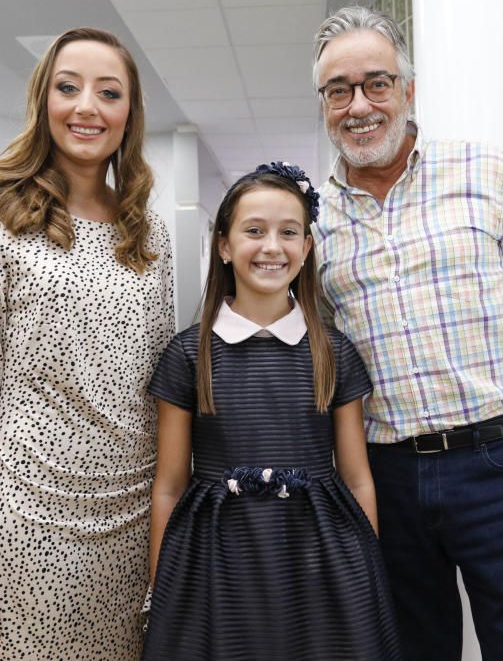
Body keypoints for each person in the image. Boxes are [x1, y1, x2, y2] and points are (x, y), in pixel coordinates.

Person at [312, 7, 503, 661]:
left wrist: (488, 399)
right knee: (415, 645)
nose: (359, 105)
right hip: (388, 474)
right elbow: (326, 354)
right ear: (324, 104)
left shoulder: (487, 173)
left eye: (377, 82)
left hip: (501, 463)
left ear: (408, 90)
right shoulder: (314, 222)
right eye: (338, 90)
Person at [0, 27, 174, 660]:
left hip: (132, 516)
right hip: (29, 513)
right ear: (44, 101)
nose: (87, 107)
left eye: (109, 92)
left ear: (130, 113)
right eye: (68, 88)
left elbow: (162, 379)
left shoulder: (147, 230)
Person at [141, 163, 401, 660]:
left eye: (288, 233)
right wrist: (163, 584)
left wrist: (366, 567)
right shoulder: (188, 355)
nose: (271, 247)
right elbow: (170, 484)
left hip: (319, 550)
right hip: (217, 551)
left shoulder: (335, 352)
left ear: (306, 248)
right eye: (253, 231)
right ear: (224, 245)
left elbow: (357, 477)